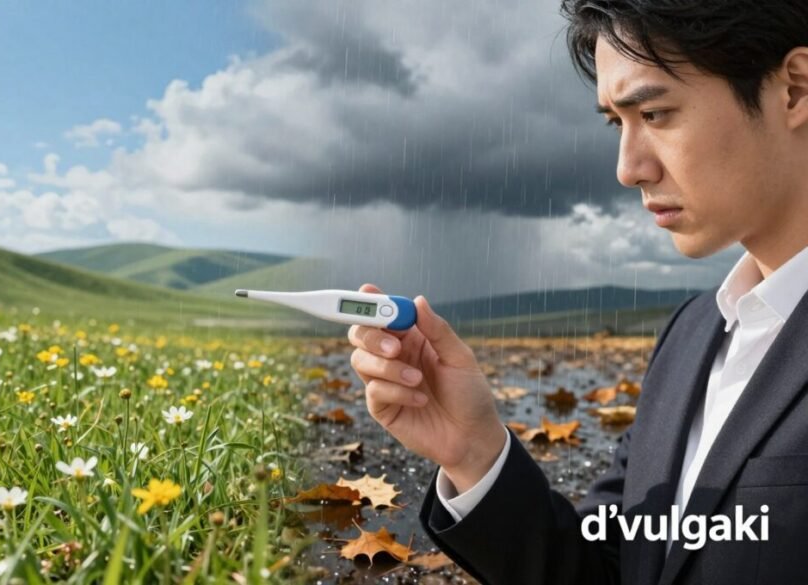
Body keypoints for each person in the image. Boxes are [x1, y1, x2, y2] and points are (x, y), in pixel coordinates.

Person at [346, 1, 808, 583]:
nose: (628, 168)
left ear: (793, 89)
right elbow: (609, 569)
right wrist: (475, 453)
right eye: (618, 123)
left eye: (657, 114)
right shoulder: (688, 339)